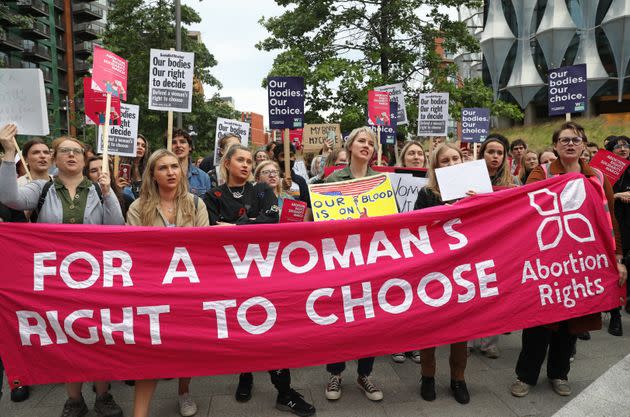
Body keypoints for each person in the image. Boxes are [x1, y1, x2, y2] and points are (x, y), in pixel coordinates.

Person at [0, 124, 124, 417]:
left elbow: (117, 228)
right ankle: (74, 399)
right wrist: (7, 156)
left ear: (85, 157)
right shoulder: (41, 187)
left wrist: (108, 194)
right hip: (56, 279)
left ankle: (103, 395)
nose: (71, 155)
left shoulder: (96, 188)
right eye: (64, 151)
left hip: (94, 277)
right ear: (55, 159)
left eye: (77, 151)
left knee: (100, 336)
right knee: (66, 338)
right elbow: (9, 198)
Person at [511, 122, 627, 398]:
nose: (570, 144)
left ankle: (559, 374)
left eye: (576, 139)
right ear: (555, 146)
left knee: (569, 323)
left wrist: (617, 257)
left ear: (584, 145)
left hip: (581, 263)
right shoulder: (542, 172)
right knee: (538, 321)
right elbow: (527, 206)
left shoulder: (598, 177)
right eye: (564, 140)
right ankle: (525, 376)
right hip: (548, 261)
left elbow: (611, 220)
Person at [203, 145, 315, 417]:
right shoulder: (212, 195)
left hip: (265, 271)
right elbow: (212, 230)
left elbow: (272, 220)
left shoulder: (263, 190)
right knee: (243, 326)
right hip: (231, 274)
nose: (246, 165)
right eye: (240, 160)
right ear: (227, 163)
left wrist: (233, 227)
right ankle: (245, 373)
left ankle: (284, 391)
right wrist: (252, 223)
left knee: (272, 330)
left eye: (249, 161)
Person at [127, 149, 209, 417]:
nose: (171, 172)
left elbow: (204, 249)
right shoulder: (137, 208)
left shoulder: (196, 205)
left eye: (175, 166)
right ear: (153, 174)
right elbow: (135, 252)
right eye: (163, 168)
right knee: (148, 353)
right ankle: (140, 412)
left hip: (188, 290)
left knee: (187, 348)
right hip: (152, 291)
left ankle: (184, 392)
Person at [324, 127, 384, 402]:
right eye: (362, 141)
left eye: (371, 143)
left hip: (372, 260)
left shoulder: (381, 181)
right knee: (341, 319)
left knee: (369, 321)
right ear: (349, 146)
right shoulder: (334, 180)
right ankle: (335, 372)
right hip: (343, 261)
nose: (367, 146)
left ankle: (364, 375)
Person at [414, 143, 475, 404]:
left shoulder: (477, 191)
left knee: (461, 328)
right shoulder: (427, 193)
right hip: (435, 270)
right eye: (445, 161)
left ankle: (458, 378)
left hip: (465, 268)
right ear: (436, 167)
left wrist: (476, 201)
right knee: (430, 326)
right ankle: (427, 376)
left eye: (455, 159)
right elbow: (415, 228)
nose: (451, 164)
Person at [606, 136, 630, 324]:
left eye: (626, 145)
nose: (623, 149)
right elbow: (599, 196)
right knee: (615, 268)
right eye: (618, 146)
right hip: (613, 225)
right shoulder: (604, 172)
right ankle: (615, 315)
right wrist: (618, 195)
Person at [170, 128, 212, 196]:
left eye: (182, 142)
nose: (178, 145)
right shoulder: (161, 176)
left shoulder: (203, 177)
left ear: (190, 147)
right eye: (173, 142)